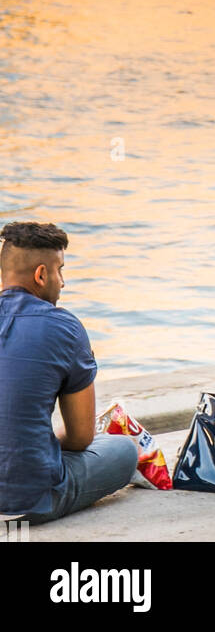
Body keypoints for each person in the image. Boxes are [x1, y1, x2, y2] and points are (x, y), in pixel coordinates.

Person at [0, 222, 138, 525]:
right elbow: (80, 437)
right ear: (41, 275)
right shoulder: (64, 327)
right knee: (124, 449)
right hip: (27, 501)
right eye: (60, 270)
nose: (63, 282)